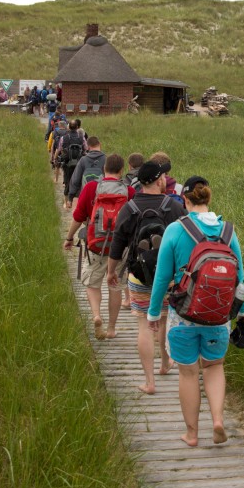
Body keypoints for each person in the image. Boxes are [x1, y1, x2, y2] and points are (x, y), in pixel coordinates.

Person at [148, 176, 244, 446]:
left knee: (188, 372)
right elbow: (240, 276)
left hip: (183, 317)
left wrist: (152, 313)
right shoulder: (228, 231)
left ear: (185, 200)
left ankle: (192, 433)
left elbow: (161, 277)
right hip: (219, 316)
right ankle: (217, 420)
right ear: (208, 198)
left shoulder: (175, 229)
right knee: (214, 367)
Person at [107, 159, 185, 395]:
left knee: (144, 324)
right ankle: (164, 364)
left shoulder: (129, 208)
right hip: (168, 277)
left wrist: (111, 271)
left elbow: (117, 243)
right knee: (162, 320)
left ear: (140, 183)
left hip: (138, 275)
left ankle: (149, 382)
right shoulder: (173, 207)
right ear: (160, 180)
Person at [65, 153, 133, 341]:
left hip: (96, 246)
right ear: (121, 171)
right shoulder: (129, 191)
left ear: (104, 169)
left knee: (93, 284)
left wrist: (69, 238)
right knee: (115, 287)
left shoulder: (92, 188)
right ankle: (111, 328)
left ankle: (96, 314)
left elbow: (78, 217)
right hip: (119, 249)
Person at [58, 120, 86, 209]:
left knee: (67, 181)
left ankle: (66, 203)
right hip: (79, 163)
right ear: (77, 127)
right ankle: (77, 202)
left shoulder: (64, 138)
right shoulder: (82, 137)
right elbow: (86, 148)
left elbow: (60, 149)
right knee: (78, 181)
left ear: (69, 127)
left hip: (67, 163)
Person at [68, 135, 106, 201]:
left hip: (85, 197)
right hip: (101, 197)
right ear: (100, 144)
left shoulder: (83, 160)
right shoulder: (106, 159)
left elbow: (75, 179)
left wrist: (71, 195)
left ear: (88, 147)